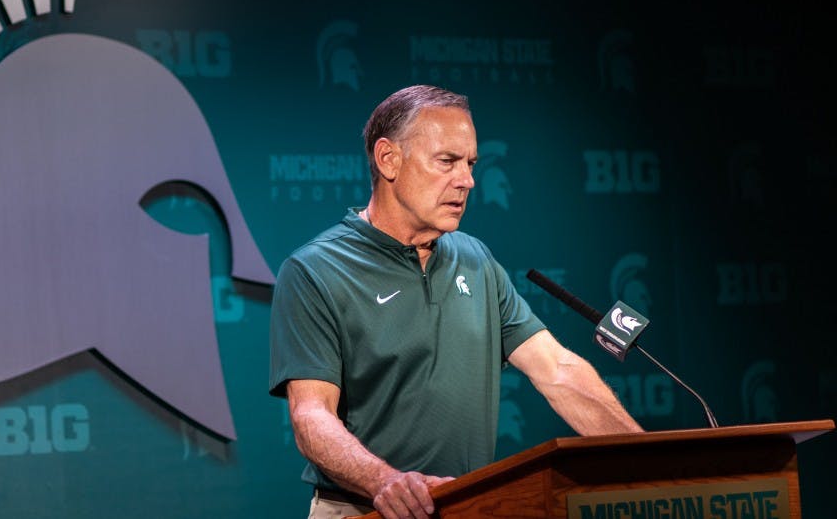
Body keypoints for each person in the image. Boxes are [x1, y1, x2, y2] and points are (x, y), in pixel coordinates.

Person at [269, 85, 642, 519]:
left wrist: (649, 462)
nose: (466, 180)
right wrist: (386, 482)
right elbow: (311, 416)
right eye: (447, 161)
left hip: (467, 507)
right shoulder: (316, 270)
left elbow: (557, 370)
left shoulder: (476, 258)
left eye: (470, 164)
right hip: (363, 509)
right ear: (388, 159)